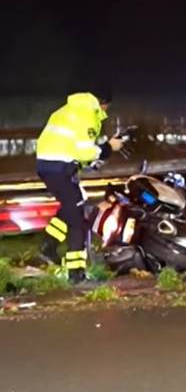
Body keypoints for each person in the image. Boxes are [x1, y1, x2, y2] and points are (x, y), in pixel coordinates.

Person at [35, 86, 125, 283]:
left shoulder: (68, 109)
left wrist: (93, 160)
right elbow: (84, 151)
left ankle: (48, 247)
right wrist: (108, 147)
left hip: (48, 165)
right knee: (78, 221)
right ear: (104, 104)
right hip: (59, 167)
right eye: (107, 108)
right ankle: (76, 275)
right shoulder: (88, 114)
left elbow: (72, 147)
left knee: (73, 205)